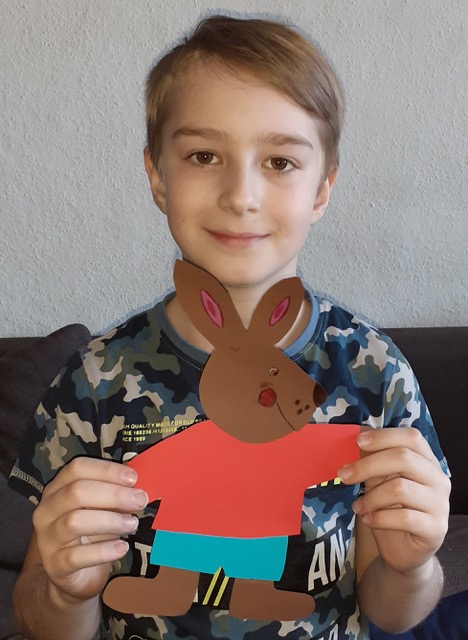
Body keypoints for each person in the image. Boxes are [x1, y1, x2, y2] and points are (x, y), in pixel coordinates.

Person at [9, 14, 450, 640]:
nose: (241, 195)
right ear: (158, 176)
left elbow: (393, 610)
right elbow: (42, 616)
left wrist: (413, 566)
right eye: (203, 155)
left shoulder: (374, 374)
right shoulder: (94, 383)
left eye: (280, 161)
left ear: (322, 190)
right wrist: (61, 587)